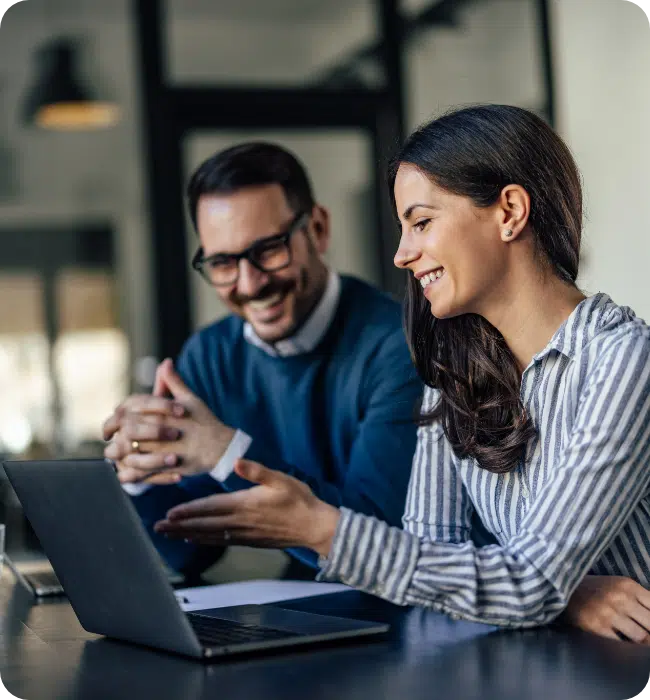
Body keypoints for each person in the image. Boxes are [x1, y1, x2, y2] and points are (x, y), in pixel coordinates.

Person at [152, 105, 650, 642]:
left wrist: (322, 529)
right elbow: (429, 555)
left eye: (421, 222)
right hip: (540, 662)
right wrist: (562, 594)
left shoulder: (622, 360)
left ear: (509, 211)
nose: (402, 254)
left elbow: (529, 583)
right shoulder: (455, 368)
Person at [103, 142, 422, 580]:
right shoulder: (209, 355)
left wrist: (225, 454)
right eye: (222, 263)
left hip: (401, 619)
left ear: (318, 228)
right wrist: (137, 471)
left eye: (269, 249)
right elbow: (189, 554)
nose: (249, 284)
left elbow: (380, 539)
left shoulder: (400, 345)